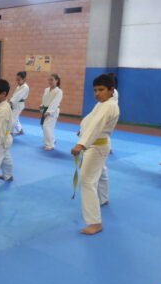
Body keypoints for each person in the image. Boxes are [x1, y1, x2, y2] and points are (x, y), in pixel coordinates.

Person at [71, 74, 119, 235]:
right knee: (101, 172)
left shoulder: (108, 106)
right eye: (95, 90)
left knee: (87, 182)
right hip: (99, 144)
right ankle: (103, 198)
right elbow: (91, 120)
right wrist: (83, 130)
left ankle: (95, 222)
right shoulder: (104, 103)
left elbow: (97, 126)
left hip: (96, 146)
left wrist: (81, 144)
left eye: (101, 90)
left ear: (111, 90)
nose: (97, 93)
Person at [40, 73, 63, 150]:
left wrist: (49, 111)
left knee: (46, 126)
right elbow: (44, 99)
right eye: (49, 80)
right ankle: (52, 139)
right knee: (47, 127)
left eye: (52, 80)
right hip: (45, 109)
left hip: (53, 111)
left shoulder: (59, 91)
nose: (50, 81)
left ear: (57, 81)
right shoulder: (46, 89)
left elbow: (55, 102)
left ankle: (50, 145)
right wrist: (42, 105)